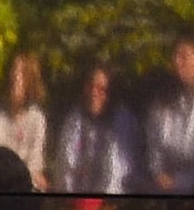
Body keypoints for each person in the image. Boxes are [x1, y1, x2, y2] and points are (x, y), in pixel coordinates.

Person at [51, 61, 146, 195]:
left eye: (101, 88)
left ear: (111, 93)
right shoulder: (75, 118)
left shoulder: (124, 121)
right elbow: (65, 164)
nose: (93, 93)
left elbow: (117, 173)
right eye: (90, 86)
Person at [150, 36, 194, 193]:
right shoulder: (163, 103)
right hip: (163, 187)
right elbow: (154, 146)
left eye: (183, 56)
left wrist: (183, 182)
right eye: (175, 56)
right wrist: (158, 173)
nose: (177, 62)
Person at [0, 49, 51, 175]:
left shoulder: (37, 120)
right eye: (13, 72)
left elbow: (35, 164)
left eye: (20, 75)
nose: (14, 78)